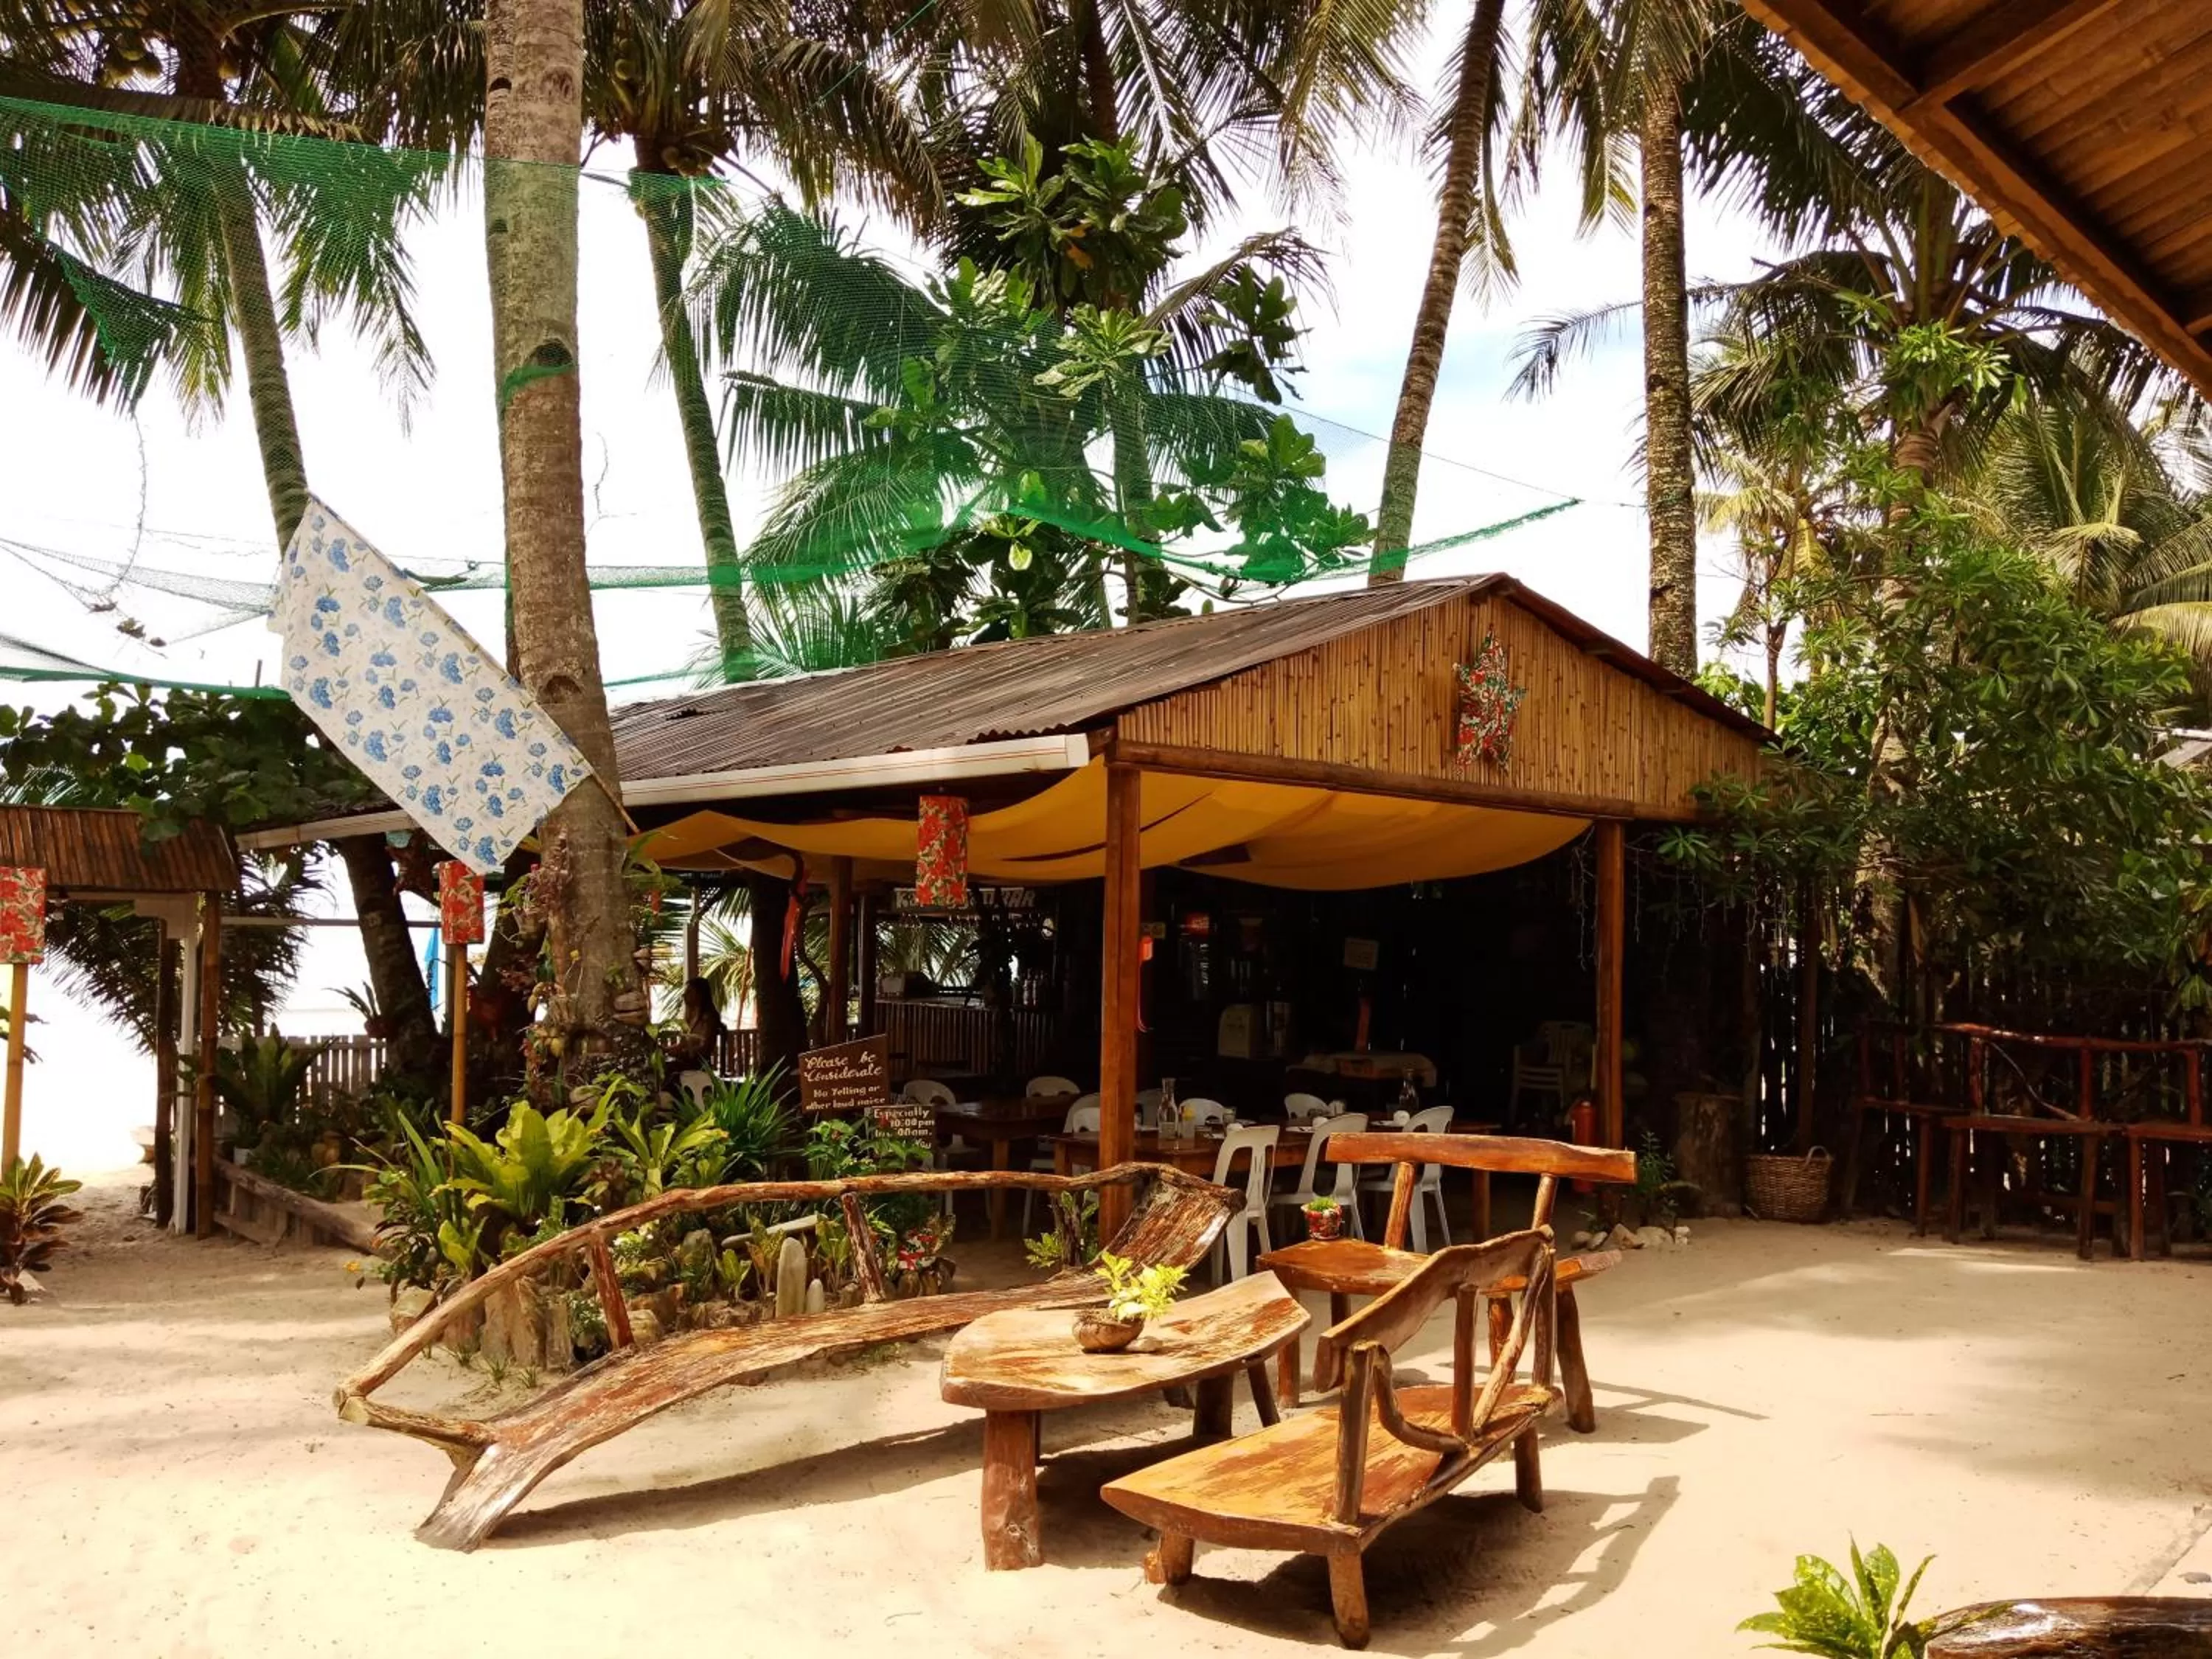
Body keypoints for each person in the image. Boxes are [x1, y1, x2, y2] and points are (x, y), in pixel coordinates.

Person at [672, 976, 723, 1068]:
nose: (684, 995)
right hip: (685, 1062)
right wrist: (664, 1049)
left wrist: (684, 1052)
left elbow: (704, 1048)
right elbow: (681, 1045)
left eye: (689, 992)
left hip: (699, 1067)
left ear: (700, 995)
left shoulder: (709, 1018)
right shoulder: (689, 1017)